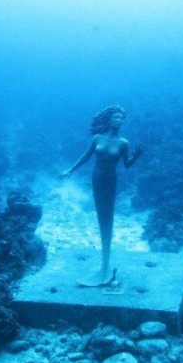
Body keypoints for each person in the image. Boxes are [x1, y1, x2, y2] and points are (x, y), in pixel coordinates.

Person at [58, 105, 145, 286]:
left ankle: (105, 265)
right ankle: (103, 265)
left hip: (110, 181)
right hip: (96, 179)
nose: (119, 120)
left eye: (121, 118)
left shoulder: (123, 143)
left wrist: (136, 157)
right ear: (109, 119)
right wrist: (70, 170)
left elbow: (127, 165)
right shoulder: (97, 138)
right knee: (100, 215)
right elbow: (86, 155)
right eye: (116, 117)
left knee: (108, 216)